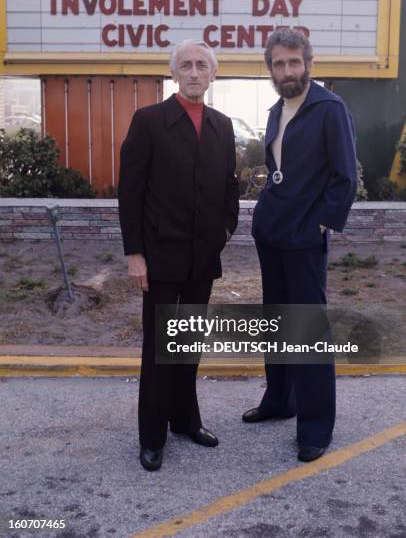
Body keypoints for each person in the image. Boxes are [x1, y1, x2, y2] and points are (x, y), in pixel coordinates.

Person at [118, 40, 239, 471]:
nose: (193, 71)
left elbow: (229, 187)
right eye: (185, 65)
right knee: (158, 349)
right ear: (174, 74)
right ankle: (151, 437)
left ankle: (185, 421)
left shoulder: (223, 126)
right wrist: (135, 254)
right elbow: (129, 192)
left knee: (188, 344)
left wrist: (225, 230)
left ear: (212, 75)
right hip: (160, 256)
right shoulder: (148, 121)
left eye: (201, 65)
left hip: (202, 259)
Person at [243, 29, 357, 462]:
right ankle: (280, 401)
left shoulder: (330, 108)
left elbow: (345, 177)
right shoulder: (277, 110)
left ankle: (315, 426)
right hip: (271, 234)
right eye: (279, 64)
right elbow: (278, 169)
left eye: (294, 62)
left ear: (308, 63)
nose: (287, 71)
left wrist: (322, 225)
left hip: (306, 237)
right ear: (270, 68)